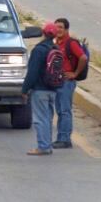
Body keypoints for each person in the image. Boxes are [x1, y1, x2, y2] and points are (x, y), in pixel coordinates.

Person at [21, 22, 59, 156]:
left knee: (40, 119)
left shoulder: (39, 50)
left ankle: (42, 147)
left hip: (40, 89)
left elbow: (32, 72)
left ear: (43, 33)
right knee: (47, 118)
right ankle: (47, 145)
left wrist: (24, 90)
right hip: (52, 89)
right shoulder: (55, 49)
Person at [53, 18, 88, 149]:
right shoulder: (56, 43)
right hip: (58, 81)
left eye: (61, 27)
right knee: (60, 110)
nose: (58, 30)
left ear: (66, 29)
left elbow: (83, 57)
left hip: (67, 82)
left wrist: (75, 73)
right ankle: (61, 138)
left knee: (64, 111)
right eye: (56, 27)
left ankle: (65, 139)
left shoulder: (71, 43)